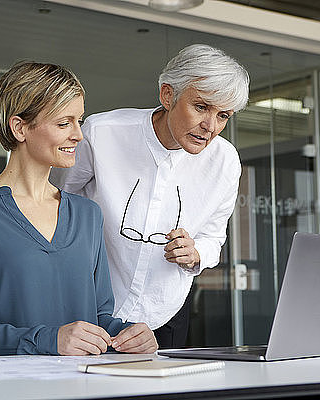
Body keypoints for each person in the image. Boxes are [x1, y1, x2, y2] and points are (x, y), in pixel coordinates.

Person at [0, 61, 157, 357]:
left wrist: (128, 334)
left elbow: (100, 318)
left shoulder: (87, 215)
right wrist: (48, 340)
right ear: (20, 127)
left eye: (79, 121)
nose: (79, 135)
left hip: (84, 386)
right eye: (64, 123)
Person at [51, 44, 250, 349]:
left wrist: (195, 253)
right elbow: (58, 204)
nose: (210, 127)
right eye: (201, 107)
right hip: (90, 311)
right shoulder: (101, 132)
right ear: (168, 95)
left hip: (165, 314)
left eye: (223, 115)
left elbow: (214, 237)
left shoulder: (225, 161)